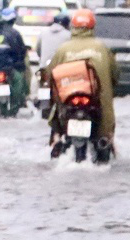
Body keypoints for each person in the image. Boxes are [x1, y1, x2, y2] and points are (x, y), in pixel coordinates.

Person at [44, 9, 119, 155]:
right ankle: (105, 139)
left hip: (69, 100)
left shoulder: (63, 49)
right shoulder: (102, 48)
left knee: (56, 114)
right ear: (92, 27)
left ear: (73, 27)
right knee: (105, 122)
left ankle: (57, 139)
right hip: (95, 102)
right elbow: (115, 74)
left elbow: (50, 73)